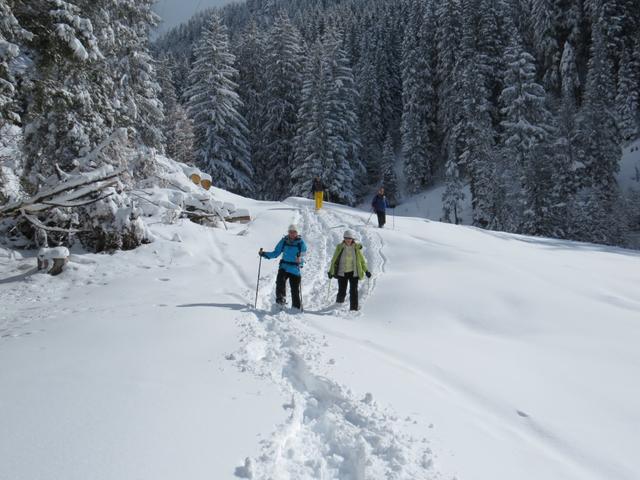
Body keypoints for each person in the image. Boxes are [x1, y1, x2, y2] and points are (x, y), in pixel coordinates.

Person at [259, 224, 308, 309]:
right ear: (288, 232)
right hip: (284, 267)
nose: (292, 234)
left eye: (294, 232)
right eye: (290, 232)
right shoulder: (284, 241)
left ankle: (296, 308)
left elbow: (303, 256)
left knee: (295, 289)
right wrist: (264, 254)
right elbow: (276, 253)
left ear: (297, 233)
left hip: (295, 269)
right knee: (280, 282)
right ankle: (280, 301)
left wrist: (300, 262)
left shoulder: (301, 243)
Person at [327, 230, 371, 311]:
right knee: (342, 291)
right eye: (346, 238)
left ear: (352, 239)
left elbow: (362, 261)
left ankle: (353, 309)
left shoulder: (356, 248)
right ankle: (338, 307)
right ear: (344, 238)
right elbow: (334, 260)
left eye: (349, 238)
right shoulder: (340, 247)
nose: (348, 240)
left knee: (353, 291)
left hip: (353, 273)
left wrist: (366, 271)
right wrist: (331, 272)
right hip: (342, 272)